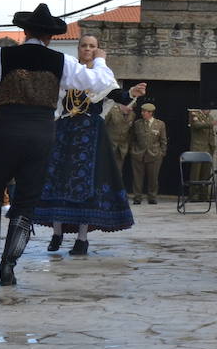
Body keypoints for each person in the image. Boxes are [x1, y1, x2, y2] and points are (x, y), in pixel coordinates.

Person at [0, 3, 118, 286]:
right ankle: (9, 264)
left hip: (7, 129)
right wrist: (99, 59)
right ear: (50, 37)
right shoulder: (61, 62)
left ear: (24, 32)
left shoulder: (3, 55)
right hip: (40, 133)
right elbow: (101, 83)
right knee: (26, 199)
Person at [34, 34, 145, 255]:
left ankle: (82, 239)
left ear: (98, 50)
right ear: (78, 49)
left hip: (90, 134)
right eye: (84, 46)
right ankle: (57, 233)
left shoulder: (102, 77)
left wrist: (133, 93)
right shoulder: (68, 72)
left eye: (92, 46)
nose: (87, 49)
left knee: (87, 185)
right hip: (65, 131)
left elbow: (119, 95)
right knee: (58, 179)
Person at [129, 103, 167, 205]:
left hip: (154, 155)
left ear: (150, 113)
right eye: (142, 111)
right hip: (138, 154)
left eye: (144, 112)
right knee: (137, 178)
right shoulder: (137, 123)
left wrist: (161, 153)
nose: (142, 113)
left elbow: (163, 140)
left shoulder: (160, 124)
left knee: (153, 178)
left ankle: (152, 197)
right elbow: (132, 138)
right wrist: (133, 150)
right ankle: (137, 197)